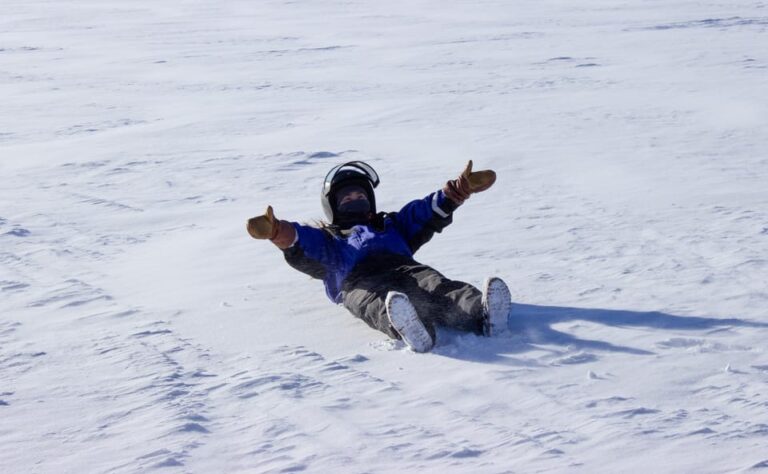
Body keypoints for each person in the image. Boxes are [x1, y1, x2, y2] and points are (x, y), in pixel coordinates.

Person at [246, 160, 511, 352]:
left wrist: (457, 190)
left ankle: (481, 312)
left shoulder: (390, 224)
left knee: (436, 285)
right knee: (375, 303)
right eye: (347, 197)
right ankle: (412, 327)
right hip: (357, 282)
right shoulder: (330, 239)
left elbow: (422, 213)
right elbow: (302, 240)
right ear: (333, 207)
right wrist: (277, 231)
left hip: (404, 267)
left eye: (360, 194)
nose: (354, 198)